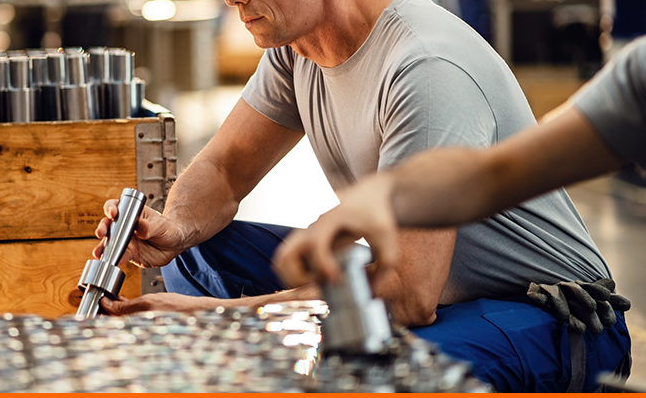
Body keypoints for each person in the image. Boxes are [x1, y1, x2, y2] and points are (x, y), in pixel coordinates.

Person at [93, 0, 630, 392]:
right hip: (437, 286)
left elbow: (407, 295)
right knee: (200, 249)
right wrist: (175, 226)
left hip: (549, 314)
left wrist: (222, 316)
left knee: (368, 368)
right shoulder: (296, 47)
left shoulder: (423, 68)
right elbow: (226, 167)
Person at [274, 34, 646, 289]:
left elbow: (412, 298)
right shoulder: (638, 78)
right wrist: (384, 196)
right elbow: (492, 174)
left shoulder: (426, 60)